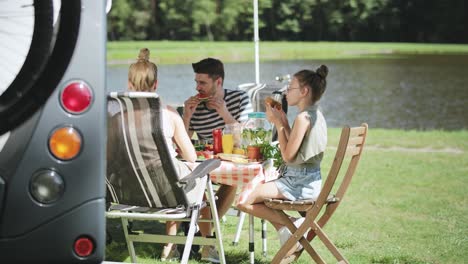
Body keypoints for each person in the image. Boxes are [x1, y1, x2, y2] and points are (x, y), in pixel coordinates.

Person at [236, 65, 329, 257]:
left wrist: (278, 124)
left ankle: (292, 224)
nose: (286, 91)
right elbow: (294, 152)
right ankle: (287, 227)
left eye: (291, 87)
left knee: (243, 201)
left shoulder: (303, 118)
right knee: (253, 196)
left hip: (297, 184)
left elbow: (287, 156)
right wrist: (284, 122)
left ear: (304, 91)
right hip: (306, 180)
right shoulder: (314, 114)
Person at [127, 48, 197, 261]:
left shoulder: (117, 116)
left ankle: (172, 243)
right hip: (166, 191)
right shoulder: (168, 114)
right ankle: (173, 245)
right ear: (155, 85)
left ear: (129, 84)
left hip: (126, 191)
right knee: (186, 173)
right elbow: (191, 156)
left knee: (167, 173)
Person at [182, 58, 253, 261]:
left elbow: (247, 139)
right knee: (200, 186)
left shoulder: (240, 98)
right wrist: (186, 117)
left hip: (232, 162)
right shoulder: (195, 107)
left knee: (232, 181)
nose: (197, 87)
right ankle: (208, 240)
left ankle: (205, 235)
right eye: (196, 82)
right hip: (206, 165)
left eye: (202, 83)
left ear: (218, 82)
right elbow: (184, 144)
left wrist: (224, 113)